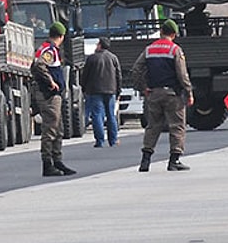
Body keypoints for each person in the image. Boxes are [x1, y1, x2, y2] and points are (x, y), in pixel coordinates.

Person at [132, 19, 194, 172]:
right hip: (172, 94)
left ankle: (145, 160)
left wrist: (143, 88)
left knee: (153, 126)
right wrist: (188, 92)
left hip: (153, 93)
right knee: (177, 126)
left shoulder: (149, 49)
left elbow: (136, 69)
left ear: (161, 32)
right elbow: (182, 74)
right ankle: (174, 160)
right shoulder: (175, 50)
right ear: (173, 34)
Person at [30, 22, 76, 177]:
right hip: (48, 95)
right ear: (61, 36)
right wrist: (51, 82)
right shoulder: (49, 50)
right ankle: (48, 163)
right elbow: (38, 66)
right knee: (50, 128)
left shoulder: (47, 48)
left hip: (51, 95)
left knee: (58, 128)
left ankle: (57, 160)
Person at [82, 37, 121, 148]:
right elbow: (118, 76)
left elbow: (85, 75)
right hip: (111, 90)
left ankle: (100, 141)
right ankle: (113, 140)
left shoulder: (91, 58)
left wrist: (84, 88)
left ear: (100, 45)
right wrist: (118, 91)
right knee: (111, 115)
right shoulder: (113, 58)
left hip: (95, 91)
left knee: (97, 115)